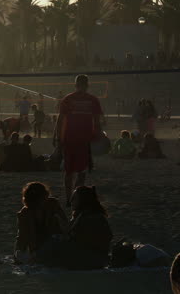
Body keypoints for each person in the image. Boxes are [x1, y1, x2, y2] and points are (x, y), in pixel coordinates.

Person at [37, 186, 113, 270]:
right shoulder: (85, 214)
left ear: (83, 200)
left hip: (92, 259)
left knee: (54, 243)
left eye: (74, 198)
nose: (71, 201)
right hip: (95, 257)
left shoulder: (91, 217)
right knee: (55, 242)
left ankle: (35, 262)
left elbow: (80, 240)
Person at [55, 74, 103, 206]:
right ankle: (74, 196)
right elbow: (97, 122)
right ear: (87, 85)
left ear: (75, 85)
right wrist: (97, 136)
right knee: (81, 172)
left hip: (69, 139)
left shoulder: (68, 99)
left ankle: (69, 198)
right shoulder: (92, 100)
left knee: (69, 171)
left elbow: (60, 120)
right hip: (83, 140)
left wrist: (58, 138)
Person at [14, 182, 67, 264]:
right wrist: (18, 254)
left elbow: (65, 222)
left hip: (56, 240)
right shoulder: (24, 214)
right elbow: (22, 237)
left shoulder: (53, 203)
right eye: (44, 196)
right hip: (38, 246)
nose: (47, 197)